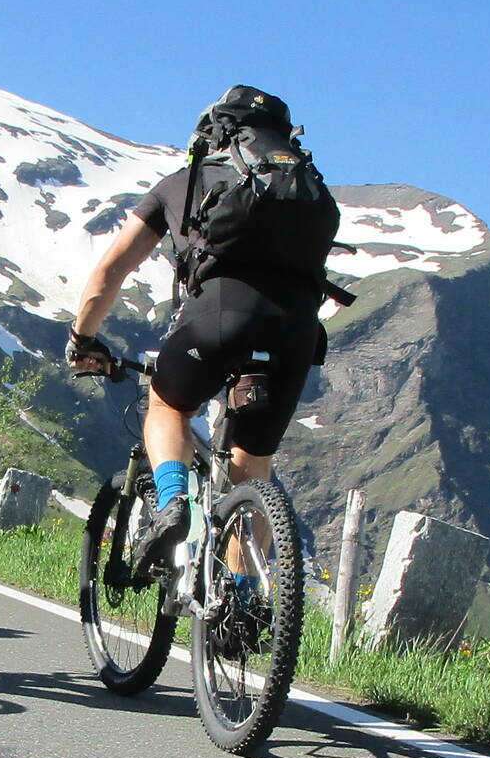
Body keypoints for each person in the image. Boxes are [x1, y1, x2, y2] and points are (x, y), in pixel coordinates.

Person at [66, 85, 341, 575]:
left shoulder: (184, 183)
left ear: (213, 134)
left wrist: (82, 339)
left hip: (217, 319)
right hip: (297, 333)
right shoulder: (304, 189)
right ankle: (244, 597)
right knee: (252, 464)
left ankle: (171, 505)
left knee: (168, 406)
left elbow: (111, 271)